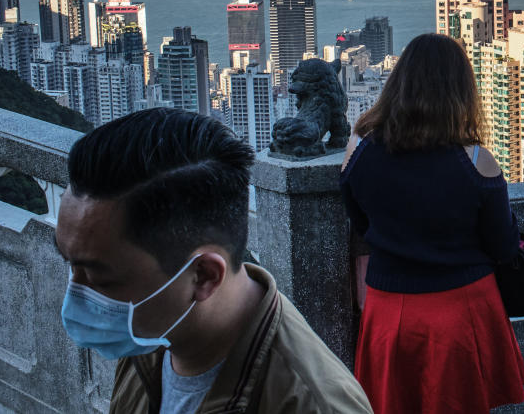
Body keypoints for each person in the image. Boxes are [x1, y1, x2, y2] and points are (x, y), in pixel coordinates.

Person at [55, 108, 372, 413]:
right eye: (71, 265)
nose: (76, 294)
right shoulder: (150, 340)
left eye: (103, 280)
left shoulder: (312, 404)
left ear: (204, 275)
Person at [341, 32, 524, 414]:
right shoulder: (477, 160)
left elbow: (360, 221)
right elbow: (504, 247)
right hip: (461, 312)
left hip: (387, 309)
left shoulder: (359, 150)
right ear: (461, 91)